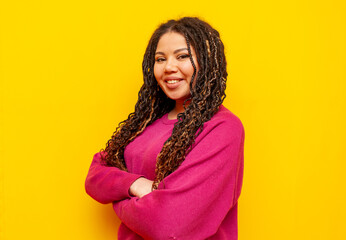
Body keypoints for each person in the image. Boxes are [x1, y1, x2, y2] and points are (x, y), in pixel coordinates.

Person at [85, 16, 245, 240]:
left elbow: (168, 224)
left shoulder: (222, 127)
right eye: (160, 59)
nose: (169, 67)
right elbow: (95, 175)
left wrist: (118, 199)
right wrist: (136, 185)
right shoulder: (145, 123)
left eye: (182, 56)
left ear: (206, 63)